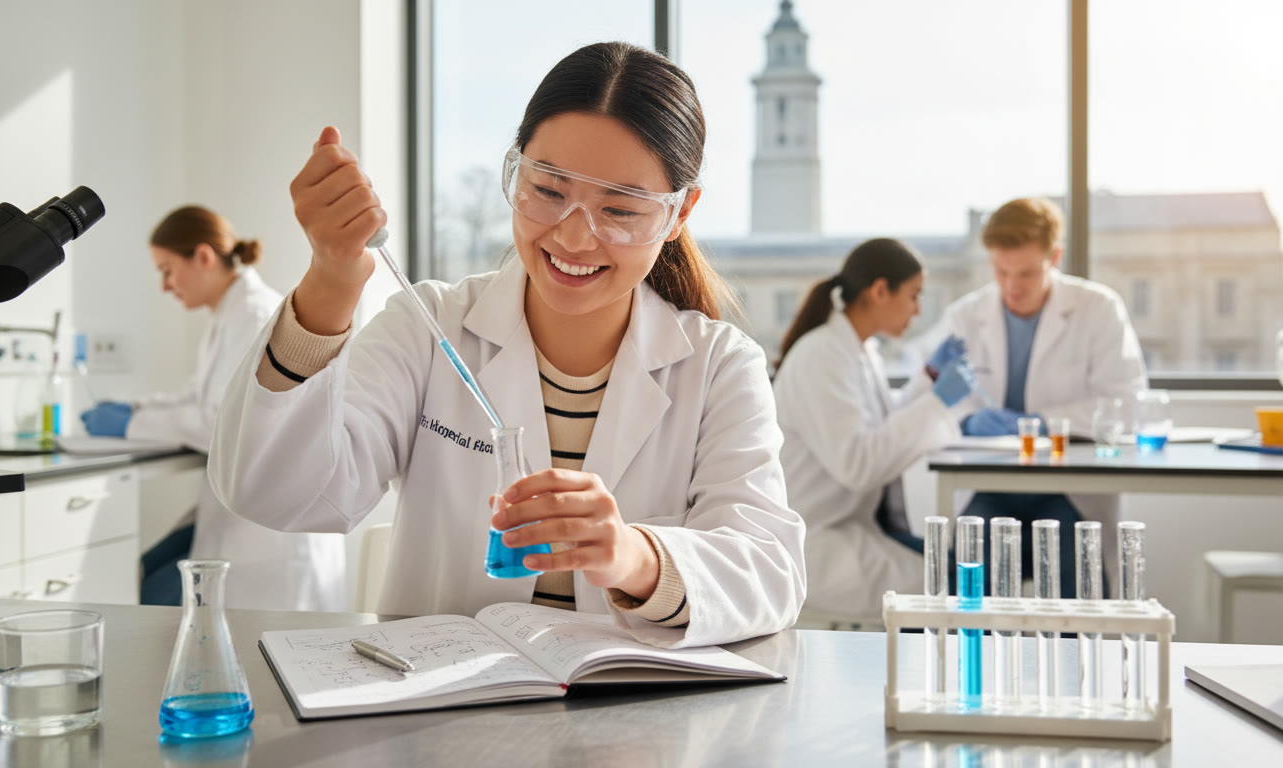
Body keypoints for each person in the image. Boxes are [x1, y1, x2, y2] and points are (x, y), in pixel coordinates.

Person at [208, 42, 806, 648]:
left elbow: (769, 571)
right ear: (515, 170)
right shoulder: (429, 326)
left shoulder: (718, 366)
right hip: (441, 718)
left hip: (634, 727)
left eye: (621, 209)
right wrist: (331, 282)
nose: (574, 237)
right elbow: (276, 493)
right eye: (547, 191)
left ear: (679, 214)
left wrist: (632, 557)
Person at [80, 206, 345, 611]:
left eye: (167, 269)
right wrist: (133, 408)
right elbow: (199, 399)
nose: (165, 285)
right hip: (244, 520)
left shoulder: (254, 313)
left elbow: (221, 423)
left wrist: (132, 424)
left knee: (266, 654)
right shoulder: (229, 315)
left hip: (272, 535)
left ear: (203, 257)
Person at [927, 197, 1147, 592]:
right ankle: (972, 655)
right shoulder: (966, 315)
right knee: (968, 571)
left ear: (1055, 257)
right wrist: (966, 419)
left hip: (1068, 490)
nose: (1012, 286)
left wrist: (1044, 424)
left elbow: (1125, 404)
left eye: (1026, 273)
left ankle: (1075, 655)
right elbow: (934, 393)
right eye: (1001, 271)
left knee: (1075, 577)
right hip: (991, 483)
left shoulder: (1098, 308)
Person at [771, 239, 976, 620]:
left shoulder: (860, 351)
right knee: (951, 587)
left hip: (853, 527)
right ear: (880, 291)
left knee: (958, 569)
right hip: (817, 543)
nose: (917, 310)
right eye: (914, 296)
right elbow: (859, 464)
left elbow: (883, 426)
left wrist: (930, 381)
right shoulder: (822, 355)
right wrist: (937, 403)